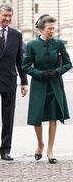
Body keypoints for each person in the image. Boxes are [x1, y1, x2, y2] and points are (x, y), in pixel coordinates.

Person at [22, 15, 72, 164]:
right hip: (39, 84)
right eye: (49, 28)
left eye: (53, 28)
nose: (52, 31)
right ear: (42, 29)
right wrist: (39, 73)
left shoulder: (59, 44)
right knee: (37, 118)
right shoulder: (31, 45)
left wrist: (57, 71)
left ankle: (50, 150)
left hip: (55, 84)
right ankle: (40, 144)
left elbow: (68, 64)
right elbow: (25, 66)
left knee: (53, 117)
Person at [0, 4, 28, 161]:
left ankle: (5, 149)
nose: (8, 18)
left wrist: (24, 81)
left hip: (9, 79)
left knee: (8, 117)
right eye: (5, 15)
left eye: (10, 16)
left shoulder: (16, 34)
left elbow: (20, 60)